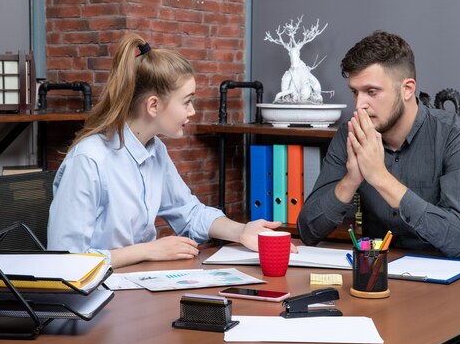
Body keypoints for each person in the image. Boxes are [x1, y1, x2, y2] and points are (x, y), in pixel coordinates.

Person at [47, 33, 293, 268]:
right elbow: (66, 259)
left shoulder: (155, 150)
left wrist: (241, 231)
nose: (192, 111)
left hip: (134, 287)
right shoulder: (89, 160)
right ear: (153, 105)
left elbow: (189, 212)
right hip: (92, 299)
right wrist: (147, 250)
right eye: (187, 101)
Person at [297, 30, 460, 258]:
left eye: (371, 91)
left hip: (449, 282)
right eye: (355, 92)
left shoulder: (456, 135)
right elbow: (307, 231)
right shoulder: (351, 133)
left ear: (407, 89)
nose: (359, 106)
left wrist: (380, 177)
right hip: (377, 275)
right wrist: (352, 179)